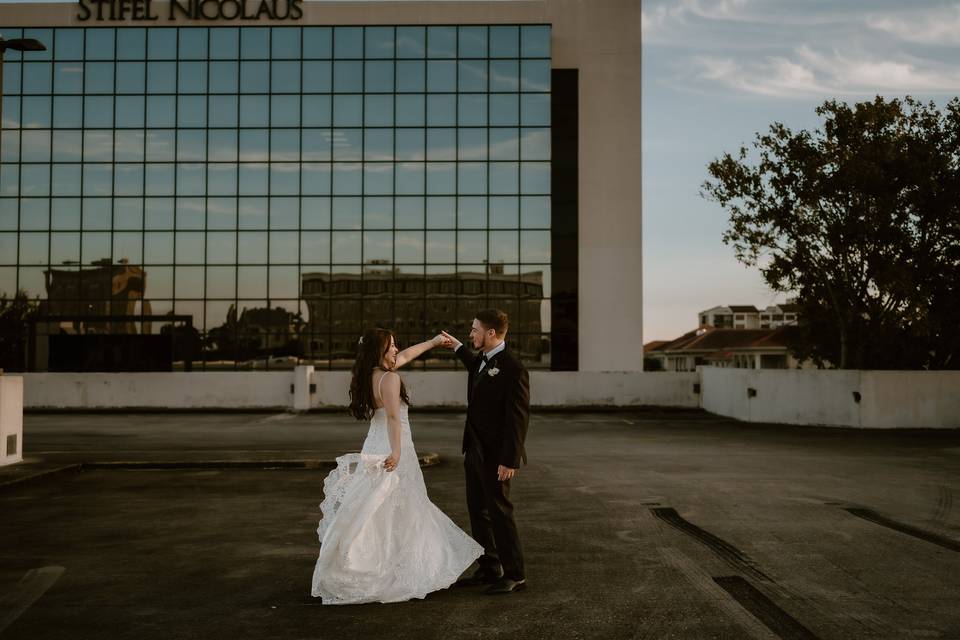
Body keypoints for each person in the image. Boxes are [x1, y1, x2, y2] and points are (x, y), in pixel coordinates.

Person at [310, 328, 483, 605]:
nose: (396, 350)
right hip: (393, 446)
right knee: (404, 506)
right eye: (391, 346)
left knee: (378, 507)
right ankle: (398, 568)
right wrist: (398, 452)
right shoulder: (390, 378)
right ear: (379, 352)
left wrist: (434, 342)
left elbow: (405, 356)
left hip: (374, 444)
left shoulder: (370, 375)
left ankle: (379, 559)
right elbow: (393, 417)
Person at [440, 308, 530, 595]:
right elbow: (474, 365)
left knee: (500, 512)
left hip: (497, 456)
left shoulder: (514, 368)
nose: (471, 334)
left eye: (474, 330)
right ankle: (489, 567)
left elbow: (518, 418)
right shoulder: (482, 360)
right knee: (477, 510)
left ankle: (515, 574)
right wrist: (456, 346)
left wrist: (509, 459)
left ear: (491, 333)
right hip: (474, 450)